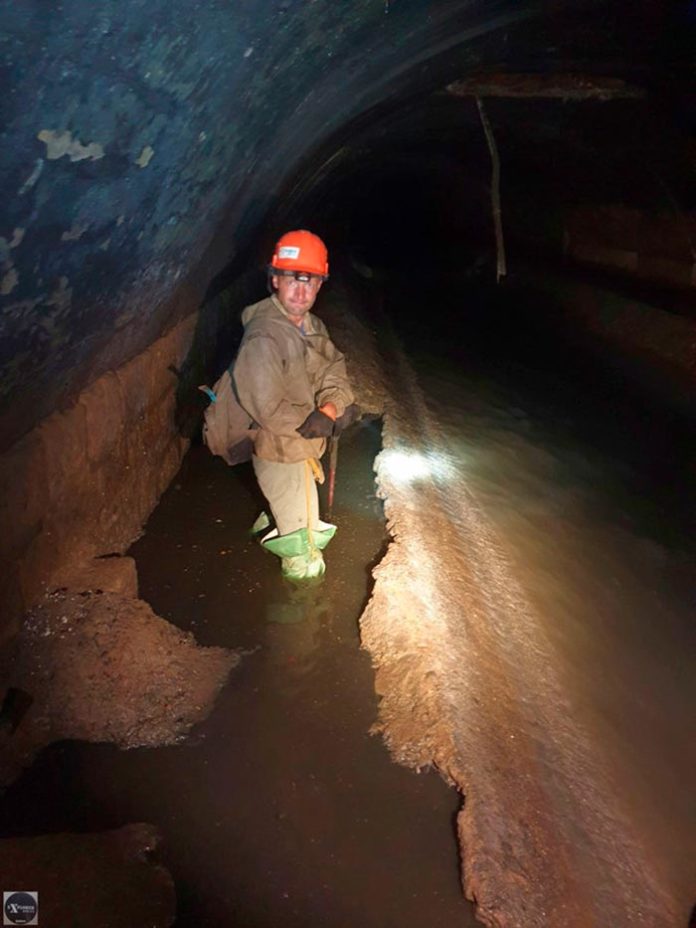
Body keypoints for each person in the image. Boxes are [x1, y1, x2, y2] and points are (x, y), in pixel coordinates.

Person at [232, 230, 358, 581]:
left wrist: (333, 406)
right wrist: (321, 422)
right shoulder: (263, 336)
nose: (301, 292)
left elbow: (334, 369)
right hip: (279, 451)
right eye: (292, 280)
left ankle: (273, 521)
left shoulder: (310, 324)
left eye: (310, 282)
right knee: (304, 549)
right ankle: (300, 610)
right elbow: (268, 408)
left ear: (320, 285)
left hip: (301, 447)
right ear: (275, 280)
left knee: (292, 513)